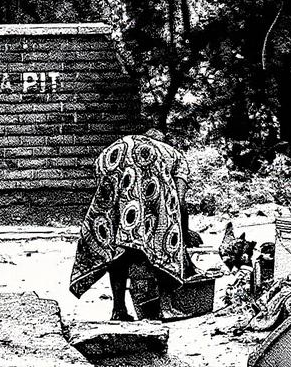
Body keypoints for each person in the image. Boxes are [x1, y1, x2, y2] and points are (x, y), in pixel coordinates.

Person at [69, 128, 201, 321]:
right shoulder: (175, 156)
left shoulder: (129, 144)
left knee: (119, 244)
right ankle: (164, 307)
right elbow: (180, 203)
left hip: (111, 157)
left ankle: (119, 309)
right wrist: (184, 233)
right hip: (138, 172)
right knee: (161, 241)